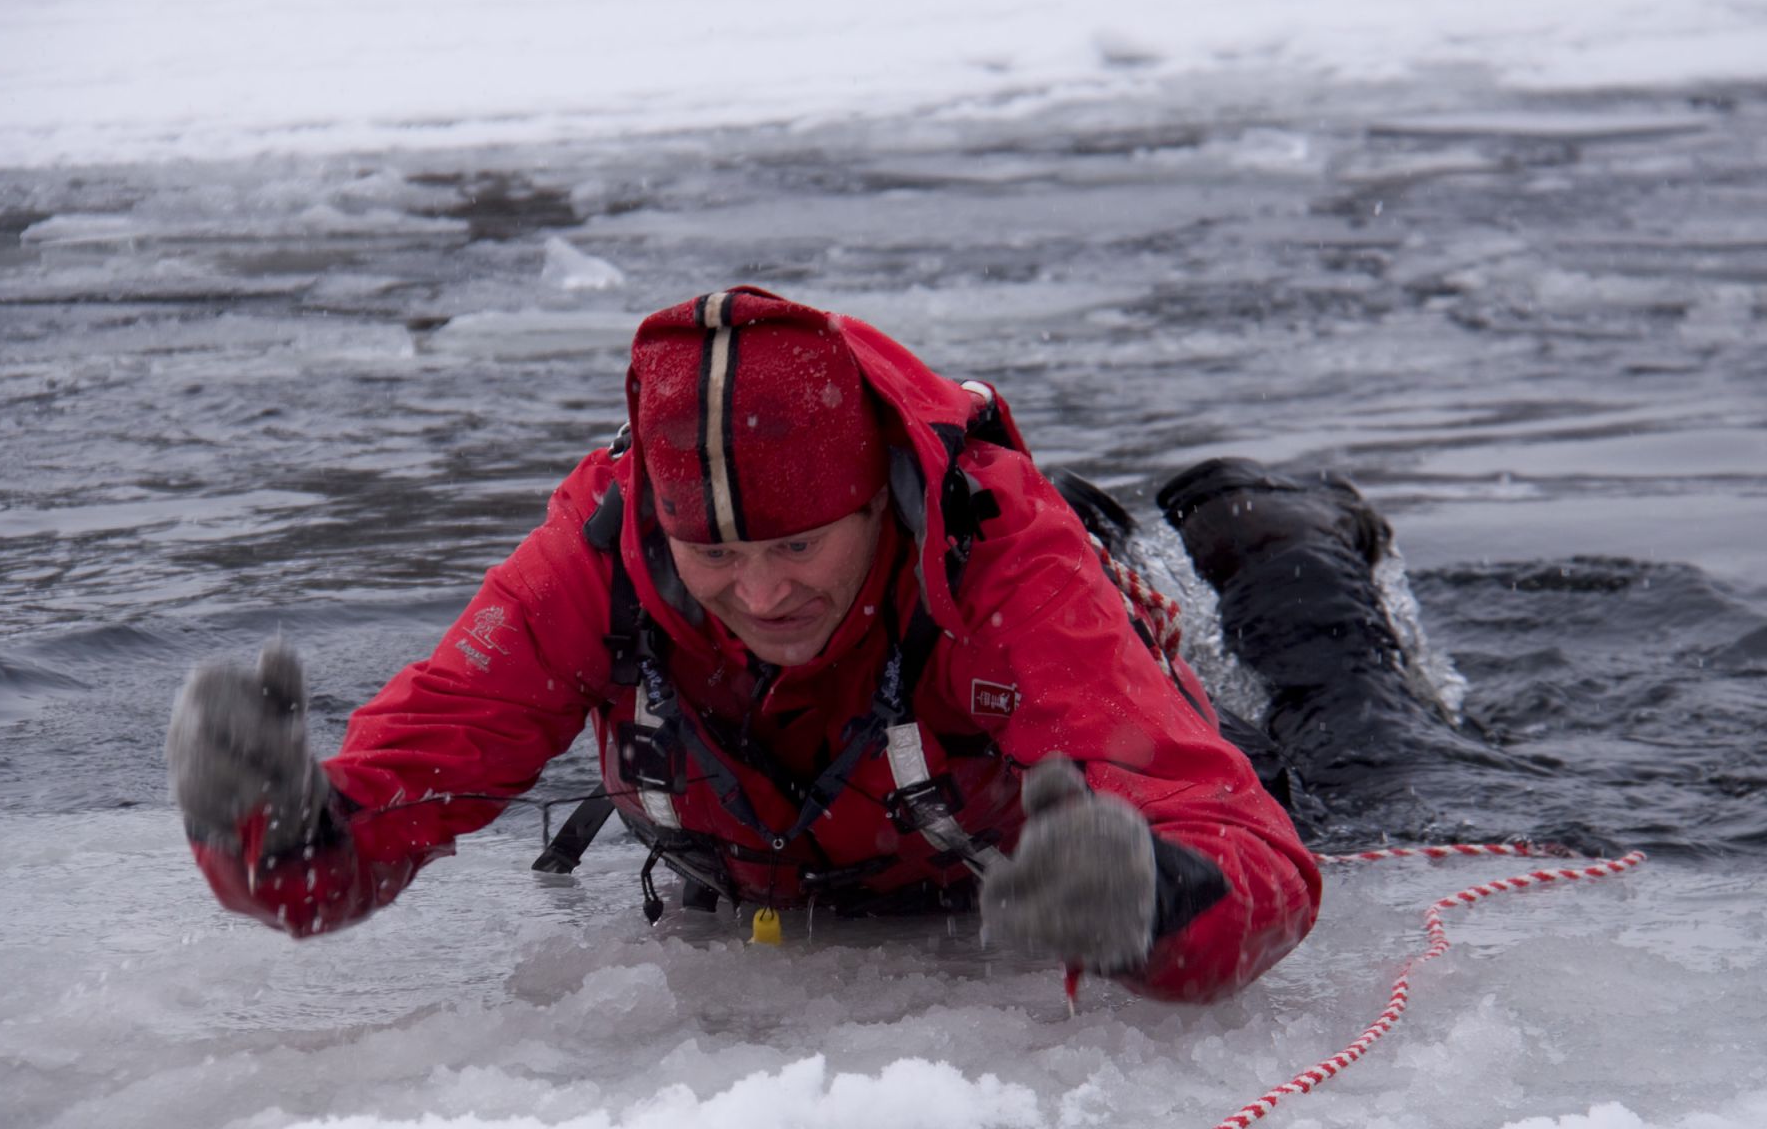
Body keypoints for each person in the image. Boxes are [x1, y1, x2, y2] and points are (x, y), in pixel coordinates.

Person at [168, 286, 1321, 1003]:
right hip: (812, 867)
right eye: (713, 553)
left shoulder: (1003, 560)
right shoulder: (595, 557)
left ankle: (1283, 539)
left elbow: (1248, 850)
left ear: (880, 503)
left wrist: (1149, 901)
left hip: (1104, 704)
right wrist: (268, 832)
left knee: (1347, 744)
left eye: (801, 544)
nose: (763, 592)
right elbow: (367, 829)